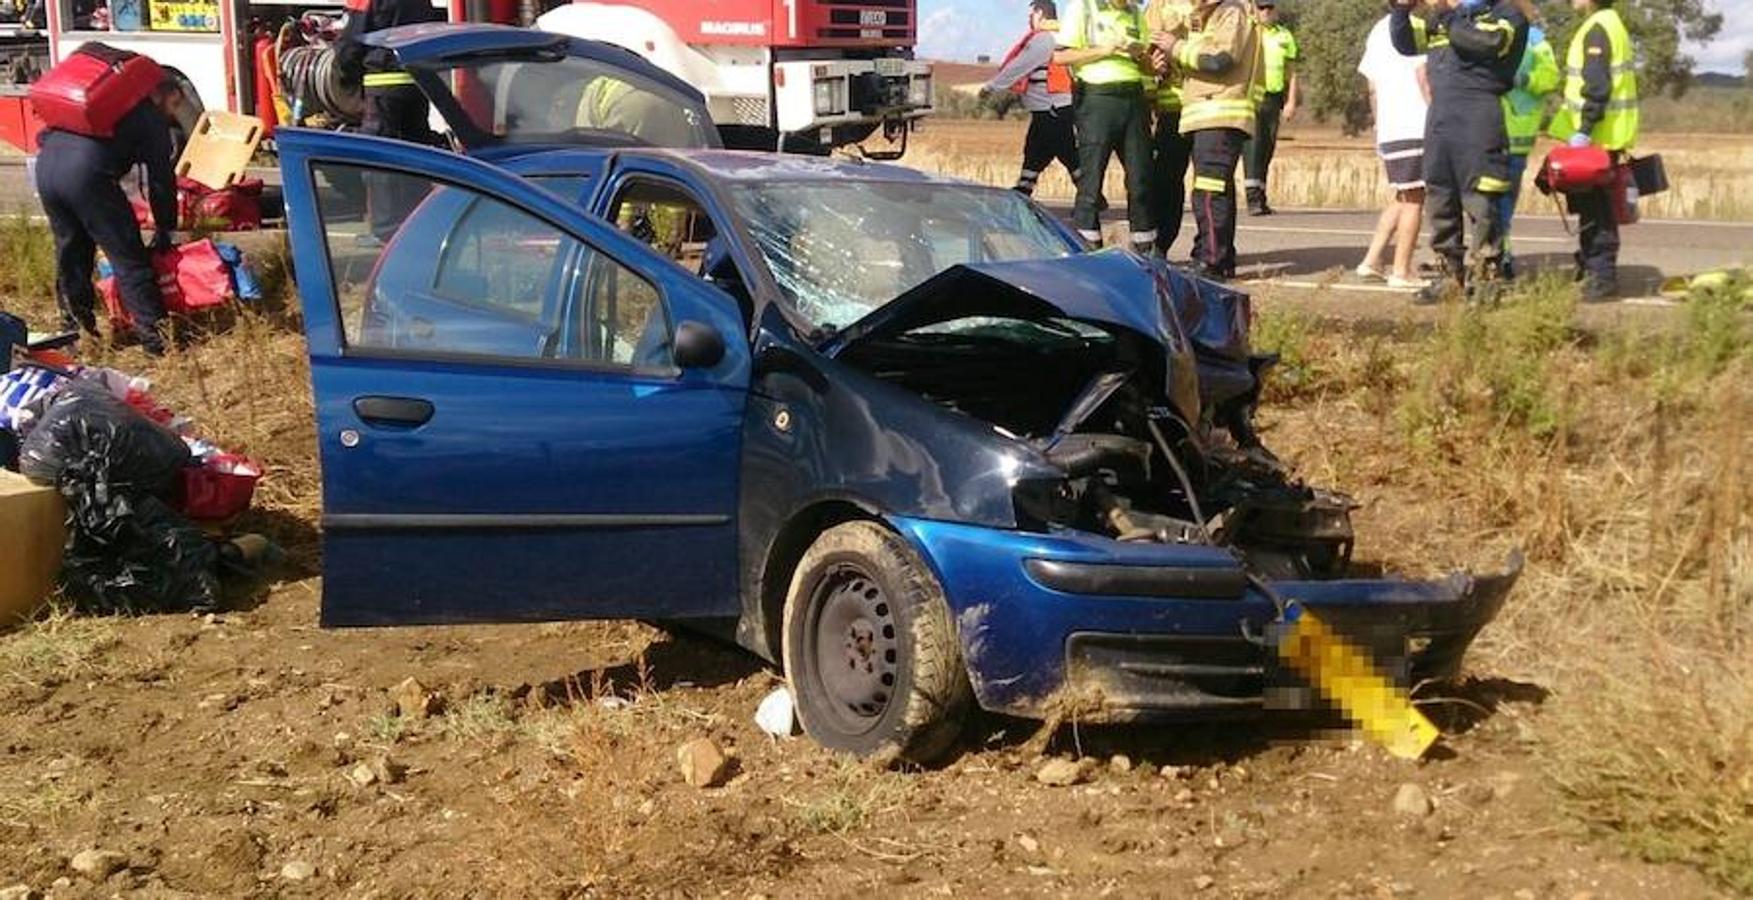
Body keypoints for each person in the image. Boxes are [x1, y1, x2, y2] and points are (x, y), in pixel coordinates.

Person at [1390, 0, 1530, 305]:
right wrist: (1400, 9)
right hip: (1441, 117)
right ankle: (1449, 276)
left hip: (1479, 115)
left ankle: (1486, 279)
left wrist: (1445, 12)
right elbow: (1405, 43)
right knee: (1441, 198)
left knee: (1481, 200)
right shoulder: (1449, 19)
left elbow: (1485, 43)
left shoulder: (1508, 16)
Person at [34, 78, 182, 356]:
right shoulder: (149, 115)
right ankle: (157, 342)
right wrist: (165, 226)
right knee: (129, 257)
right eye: (175, 104)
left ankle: (73, 333)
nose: (174, 114)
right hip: (87, 175)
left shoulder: (110, 106)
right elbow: (161, 178)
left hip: (47, 168)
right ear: (162, 96)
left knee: (72, 254)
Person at [1154, 0, 1261, 281]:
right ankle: (1219, 257)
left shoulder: (1231, 12)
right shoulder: (1211, 15)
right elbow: (1199, 62)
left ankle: (1211, 261)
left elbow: (1220, 59)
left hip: (1219, 114)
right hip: (1207, 116)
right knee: (1215, 191)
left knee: (1209, 192)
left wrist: (1175, 46)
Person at [1548, 0, 1638, 301]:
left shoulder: (1598, 28)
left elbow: (1597, 86)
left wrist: (1584, 129)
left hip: (1596, 140)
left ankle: (1602, 275)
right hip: (1602, 138)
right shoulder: (1610, 23)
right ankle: (1590, 265)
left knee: (1597, 210)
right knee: (1591, 208)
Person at [1054, 0, 1157, 254]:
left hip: (1134, 97)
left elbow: (1147, 63)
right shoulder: (1084, 7)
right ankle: (1088, 246)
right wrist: (1105, 50)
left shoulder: (1134, 13)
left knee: (1141, 177)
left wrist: (1142, 58)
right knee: (1092, 177)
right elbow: (1060, 56)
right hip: (1097, 98)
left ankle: (1146, 249)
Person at [336, 0, 442, 241]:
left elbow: (352, 39)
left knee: (380, 159)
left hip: (383, 82)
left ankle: (385, 230)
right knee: (414, 154)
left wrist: (344, 73)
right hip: (416, 80)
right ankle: (419, 223)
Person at [1355, 10, 1431, 289]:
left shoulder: (1377, 29)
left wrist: (1378, 124)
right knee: (1414, 199)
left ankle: (1373, 260)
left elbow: (1371, 85)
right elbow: (1424, 77)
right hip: (1416, 123)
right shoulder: (1419, 26)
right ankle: (1402, 270)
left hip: (1390, 125)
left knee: (1403, 194)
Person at [982, 0, 1079, 197]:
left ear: (1041, 14)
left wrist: (991, 86)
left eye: (1031, 15)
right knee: (1038, 150)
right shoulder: (1063, 35)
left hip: (1051, 106)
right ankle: (1024, 188)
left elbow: (1019, 66)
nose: (1029, 20)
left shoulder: (1044, 39)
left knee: (1065, 151)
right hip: (1055, 106)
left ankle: (1089, 194)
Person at [1497, 23, 1560, 278]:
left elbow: (1550, 77)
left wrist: (1523, 79)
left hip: (1516, 135)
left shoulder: (1535, 39)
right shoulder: (1481, 28)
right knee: (1485, 202)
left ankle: (1502, 254)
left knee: (1503, 201)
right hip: (1482, 132)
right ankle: (1497, 253)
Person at [1144, 0, 1194, 256]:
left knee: (1211, 184)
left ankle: (1212, 253)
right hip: (1171, 108)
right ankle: (1162, 244)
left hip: (1205, 107)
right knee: (1167, 181)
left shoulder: (1211, 6)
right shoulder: (1157, 6)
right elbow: (1146, 55)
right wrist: (1154, 72)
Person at [1242, 0, 1298, 216]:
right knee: (1253, 147)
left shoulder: (1285, 36)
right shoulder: (1250, 33)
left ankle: (1261, 195)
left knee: (1268, 146)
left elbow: (1291, 72)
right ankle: (1252, 198)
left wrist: (1291, 101)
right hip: (1253, 97)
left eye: (1269, 8)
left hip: (1274, 98)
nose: (1266, 12)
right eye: (1261, 8)